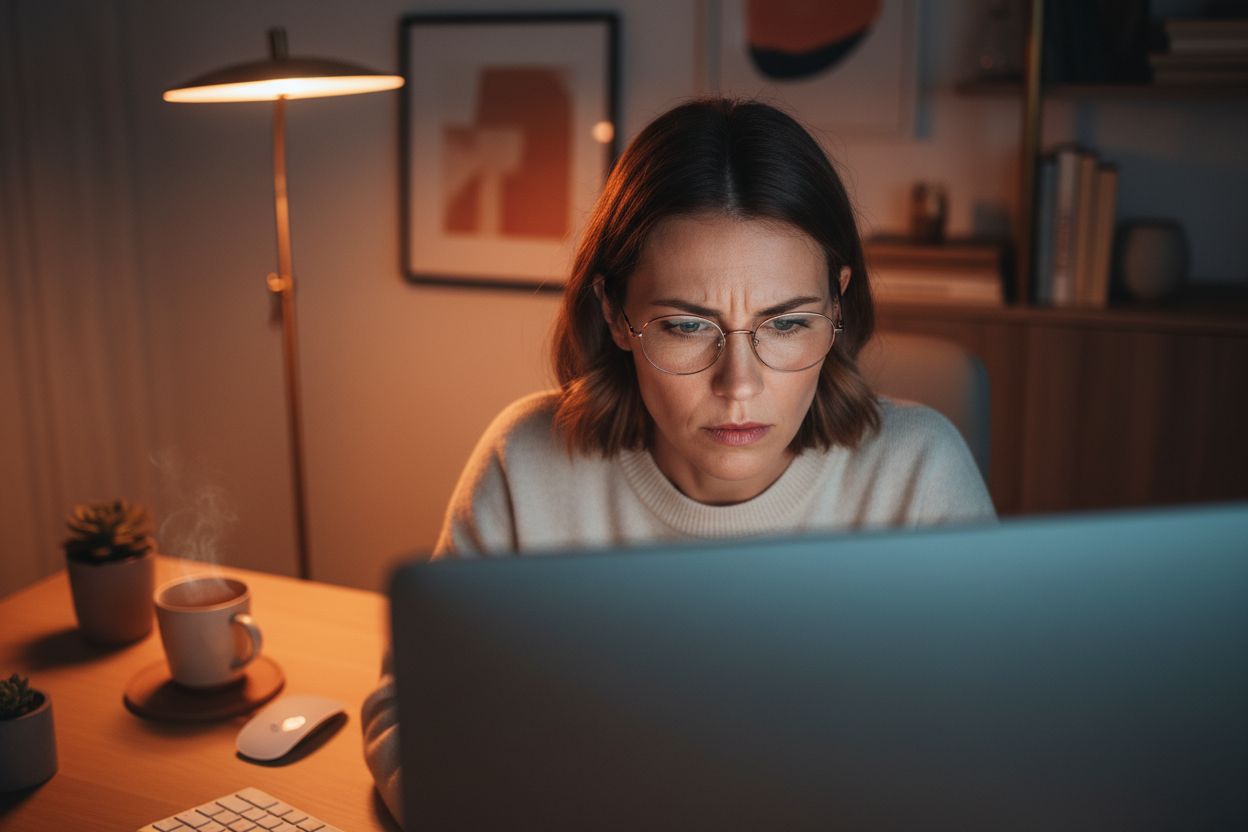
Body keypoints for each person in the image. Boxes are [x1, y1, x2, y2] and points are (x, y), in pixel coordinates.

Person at [362, 97, 996, 824]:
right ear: (615, 314)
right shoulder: (525, 464)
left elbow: (997, 745)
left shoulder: (919, 477)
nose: (740, 386)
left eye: (786, 323)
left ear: (839, 305)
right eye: (687, 326)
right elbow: (412, 708)